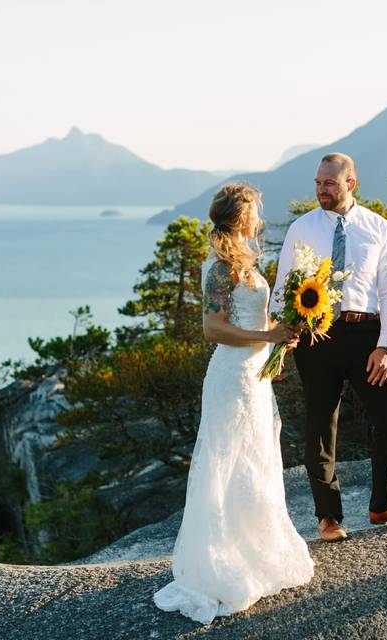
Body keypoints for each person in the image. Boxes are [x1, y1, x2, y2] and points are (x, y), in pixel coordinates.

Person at [153, 182, 313, 624]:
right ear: (242, 214)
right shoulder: (222, 264)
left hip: (255, 375)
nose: (259, 215)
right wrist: (266, 336)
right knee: (228, 464)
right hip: (232, 376)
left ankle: (254, 553)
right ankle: (223, 562)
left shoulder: (243, 257)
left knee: (255, 461)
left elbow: (254, 318)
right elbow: (213, 330)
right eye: (256, 209)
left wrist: (283, 335)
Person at [271, 152, 387, 543]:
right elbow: (282, 287)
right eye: (318, 183)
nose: (322, 190)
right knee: (321, 427)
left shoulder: (378, 228)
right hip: (315, 337)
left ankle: (382, 505)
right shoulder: (302, 228)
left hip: (366, 337)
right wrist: (278, 341)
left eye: (330, 184)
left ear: (350, 184)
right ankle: (328, 517)